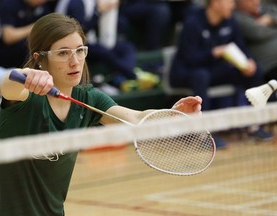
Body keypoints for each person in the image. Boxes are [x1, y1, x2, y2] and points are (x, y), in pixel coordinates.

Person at [0, 13, 202, 216]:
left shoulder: (87, 99)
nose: (75, 61)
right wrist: (26, 75)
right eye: (63, 53)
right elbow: (8, 86)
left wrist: (173, 116)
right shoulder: (25, 97)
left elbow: (136, 119)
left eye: (80, 50)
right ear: (40, 58)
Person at [169, 0, 272, 142]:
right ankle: (203, 134)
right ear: (215, 3)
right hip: (186, 73)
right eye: (228, 2)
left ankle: (253, 126)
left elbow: (241, 47)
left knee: (253, 72)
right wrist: (213, 53)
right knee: (201, 75)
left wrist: (248, 62)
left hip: (214, 72)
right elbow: (189, 59)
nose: (232, 5)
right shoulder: (193, 23)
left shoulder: (230, 22)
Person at [55, 0, 160, 92]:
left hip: (92, 41)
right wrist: (98, 12)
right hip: (72, 47)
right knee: (103, 52)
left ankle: (122, 79)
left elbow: (120, 25)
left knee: (126, 47)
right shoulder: (75, 3)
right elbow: (78, 32)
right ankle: (133, 76)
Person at [0, 0, 54, 68]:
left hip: (33, 57)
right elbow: (8, 37)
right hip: (7, 60)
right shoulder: (9, 4)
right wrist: (36, 26)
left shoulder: (46, 6)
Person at [234, 0, 277, 81]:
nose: (256, 2)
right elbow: (258, 32)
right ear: (241, 2)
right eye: (250, 0)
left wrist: (271, 19)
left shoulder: (263, 9)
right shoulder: (238, 17)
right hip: (269, 65)